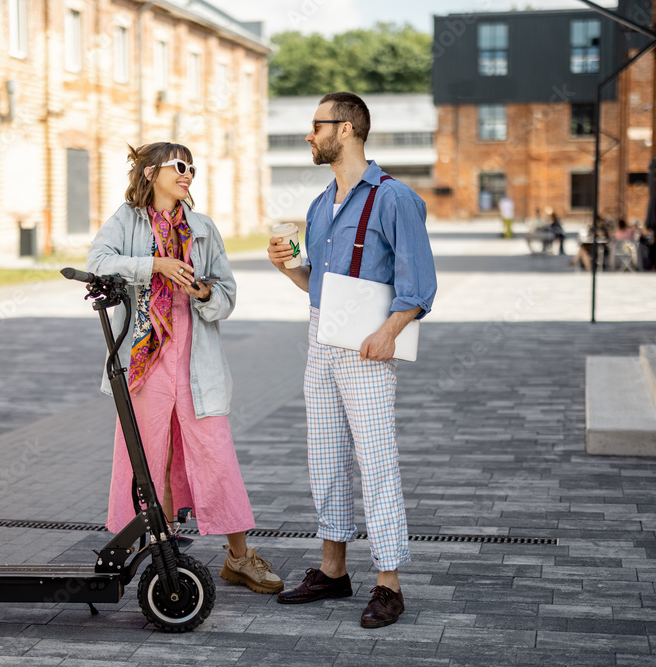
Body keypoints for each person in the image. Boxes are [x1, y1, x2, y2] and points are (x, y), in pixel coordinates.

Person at [266, 92, 437, 628]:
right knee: (325, 455)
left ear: (346, 130)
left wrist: (392, 329)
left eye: (316, 125)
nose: (308, 135)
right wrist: (288, 268)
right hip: (322, 337)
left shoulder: (395, 198)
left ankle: (389, 583)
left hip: (368, 345)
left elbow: (420, 285)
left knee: (376, 459)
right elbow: (317, 285)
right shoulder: (321, 204)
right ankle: (333, 570)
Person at [87, 142, 282, 595]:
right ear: (152, 171)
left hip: (198, 362)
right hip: (145, 361)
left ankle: (240, 557)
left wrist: (204, 294)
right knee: (149, 458)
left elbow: (228, 294)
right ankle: (164, 553)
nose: (188, 173)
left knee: (215, 455)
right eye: (179, 166)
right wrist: (154, 263)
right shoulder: (126, 221)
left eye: (192, 166)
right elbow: (97, 262)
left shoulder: (203, 228)